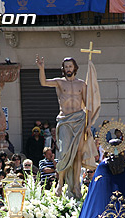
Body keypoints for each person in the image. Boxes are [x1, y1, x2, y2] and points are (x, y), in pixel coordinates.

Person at [36, 54, 97, 199]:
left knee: (77, 154)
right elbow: (43, 82)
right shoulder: (59, 82)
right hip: (64, 120)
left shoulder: (82, 84)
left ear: (75, 68)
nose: (68, 68)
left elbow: (88, 105)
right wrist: (41, 68)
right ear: (63, 68)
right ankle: (60, 182)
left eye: (70, 66)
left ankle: (76, 185)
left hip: (79, 119)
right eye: (66, 66)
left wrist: (88, 125)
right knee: (63, 152)